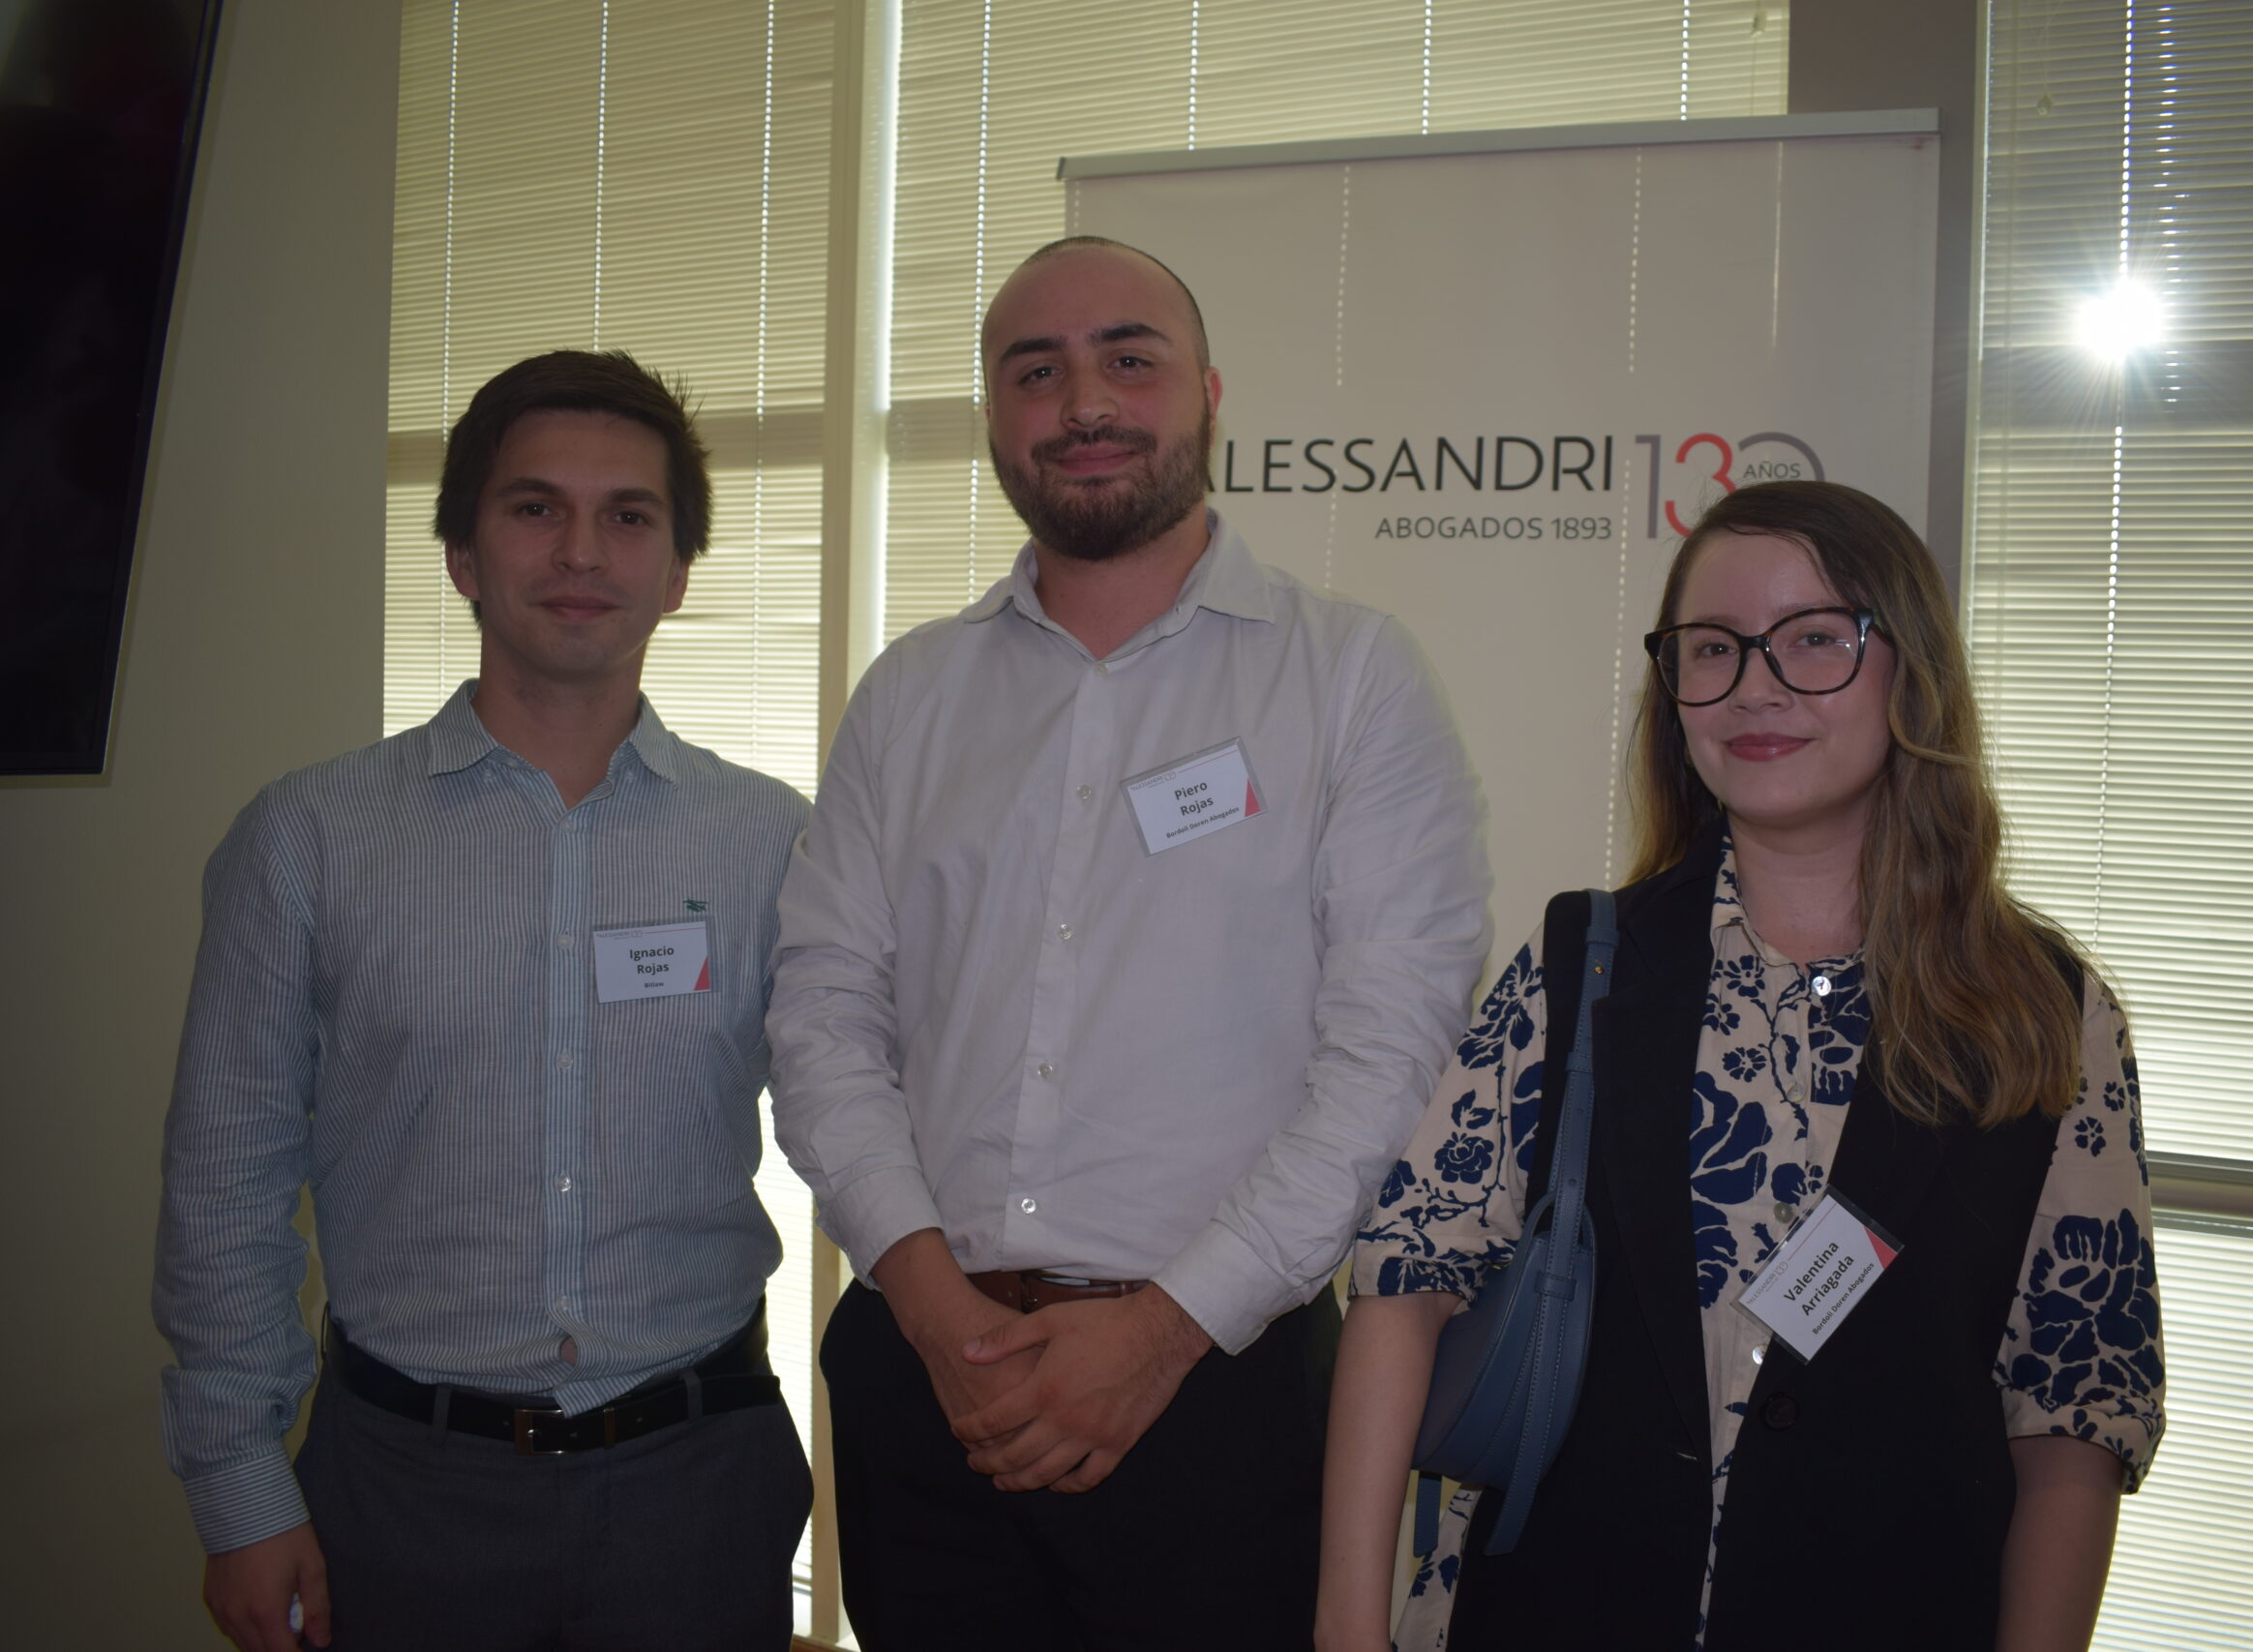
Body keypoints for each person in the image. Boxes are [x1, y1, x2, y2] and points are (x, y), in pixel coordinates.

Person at [767, 235, 1491, 1650]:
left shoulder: (1350, 677)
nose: (1084, 401)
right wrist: (930, 1304)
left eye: (1129, 359)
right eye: (1035, 371)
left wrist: (1165, 1329)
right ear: (995, 414)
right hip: (930, 1380)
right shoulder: (909, 696)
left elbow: (1390, 1055)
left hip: (1221, 1390)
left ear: (1209, 395)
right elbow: (822, 1014)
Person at [1317, 480, 2165, 1652]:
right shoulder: (1583, 966)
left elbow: (2074, 1403)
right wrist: (1346, 1628)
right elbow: (1405, 1285)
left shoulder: (2044, 1015)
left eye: (1812, 639)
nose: (1755, 687)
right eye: (1712, 648)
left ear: (1908, 667)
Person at [153, 350, 815, 1652]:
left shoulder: (775, 843)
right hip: (403, 1490)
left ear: (679, 572)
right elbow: (225, 1181)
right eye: (534, 507)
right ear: (461, 552)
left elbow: (856, 1122)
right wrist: (238, 1491)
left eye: (629, 515)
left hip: (699, 1483)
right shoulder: (308, 838)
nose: (582, 550)